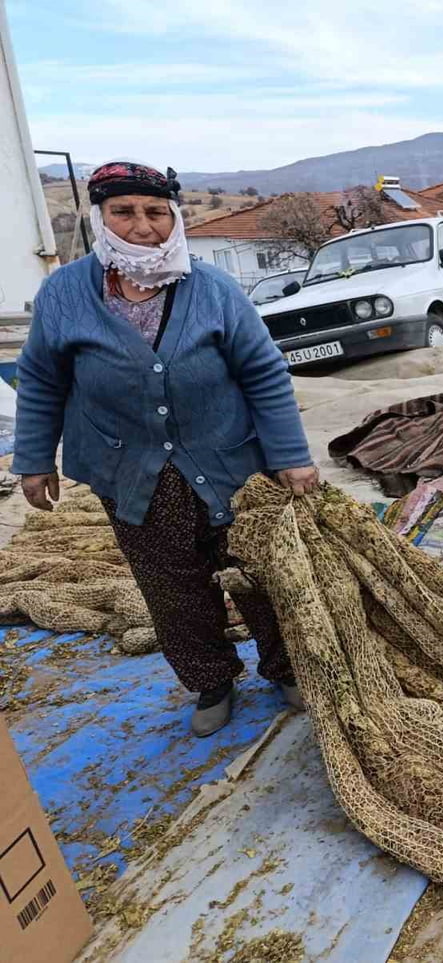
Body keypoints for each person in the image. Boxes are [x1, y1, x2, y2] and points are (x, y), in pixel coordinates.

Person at [13, 161, 318, 737]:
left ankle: (286, 669)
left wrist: (290, 455)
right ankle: (211, 683)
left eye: (156, 212)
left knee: (259, 572)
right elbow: (43, 380)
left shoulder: (214, 289)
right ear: (99, 218)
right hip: (127, 468)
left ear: (174, 216)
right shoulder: (63, 293)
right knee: (171, 584)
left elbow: (264, 374)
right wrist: (32, 460)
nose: (142, 225)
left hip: (230, 461)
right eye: (123, 212)